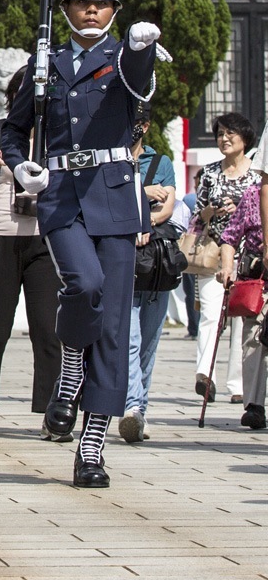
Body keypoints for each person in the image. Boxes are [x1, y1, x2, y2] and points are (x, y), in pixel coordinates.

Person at [2, 0, 164, 489]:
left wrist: (140, 48)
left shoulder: (125, 57)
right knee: (85, 284)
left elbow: (140, 85)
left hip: (115, 199)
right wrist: (18, 163)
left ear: (114, 11)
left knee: (114, 326)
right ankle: (71, 365)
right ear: (66, 8)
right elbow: (13, 127)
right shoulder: (43, 63)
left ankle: (91, 447)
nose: (91, 10)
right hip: (62, 198)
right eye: (81, 2)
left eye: (102, 4)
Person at [0, 68, 61, 439]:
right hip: (0, 235)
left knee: (47, 327)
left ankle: (52, 410)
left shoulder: (58, 133)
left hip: (45, 239)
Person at [117, 104, 177, 443]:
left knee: (149, 340)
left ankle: (141, 408)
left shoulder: (161, 162)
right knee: (129, 338)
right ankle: (133, 407)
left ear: (147, 125)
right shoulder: (112, 159)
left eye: (138, 121)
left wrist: (144, 218)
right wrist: (143, 196)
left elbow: (167, 207)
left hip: (155, 264)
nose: (133, 127)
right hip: (123, 258)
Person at [192, 113, 259, 404]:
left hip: (248, 259)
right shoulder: (208, 173)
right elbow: (197, 214)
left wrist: (239, 210)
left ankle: (238, 385)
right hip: (212, 252)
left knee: (241, 320)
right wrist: (210, 212)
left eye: (230, 133)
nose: (224, 139)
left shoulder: (257, 175)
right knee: (210, 315)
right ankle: (205, 375)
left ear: (245, 139)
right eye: (220, 134)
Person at [215, 182, 266, 430]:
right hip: (257, 279)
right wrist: (226, 267)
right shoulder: (253, 194)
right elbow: (230, 236)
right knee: (254, 339)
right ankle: (254, 405)